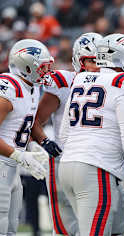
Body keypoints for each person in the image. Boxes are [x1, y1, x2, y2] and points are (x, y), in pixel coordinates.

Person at [59, 33, 124, 236]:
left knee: (107, 229)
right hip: (96, 168)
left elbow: (63, 134)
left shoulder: (80, 79)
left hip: (68, 165)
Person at [30, 32, 103, 236]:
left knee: (100, 225)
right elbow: (35, 121)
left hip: (98, 160)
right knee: (64, 228)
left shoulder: (114, 82)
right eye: (91, 60)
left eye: (101, 60)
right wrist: (45, 142)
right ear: (79, 60)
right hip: (64, 159)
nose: (97, 66)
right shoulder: (65, 81)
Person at [0, 39, 52, 236]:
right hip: (3, 163)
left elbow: (19, 125)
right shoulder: (8, 87)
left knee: (12, 227)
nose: (46, 72)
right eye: (43, 68)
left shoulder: (31, 86)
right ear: (27, 67)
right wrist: (19, 155)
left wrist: (33, 145)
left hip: (11, 166)